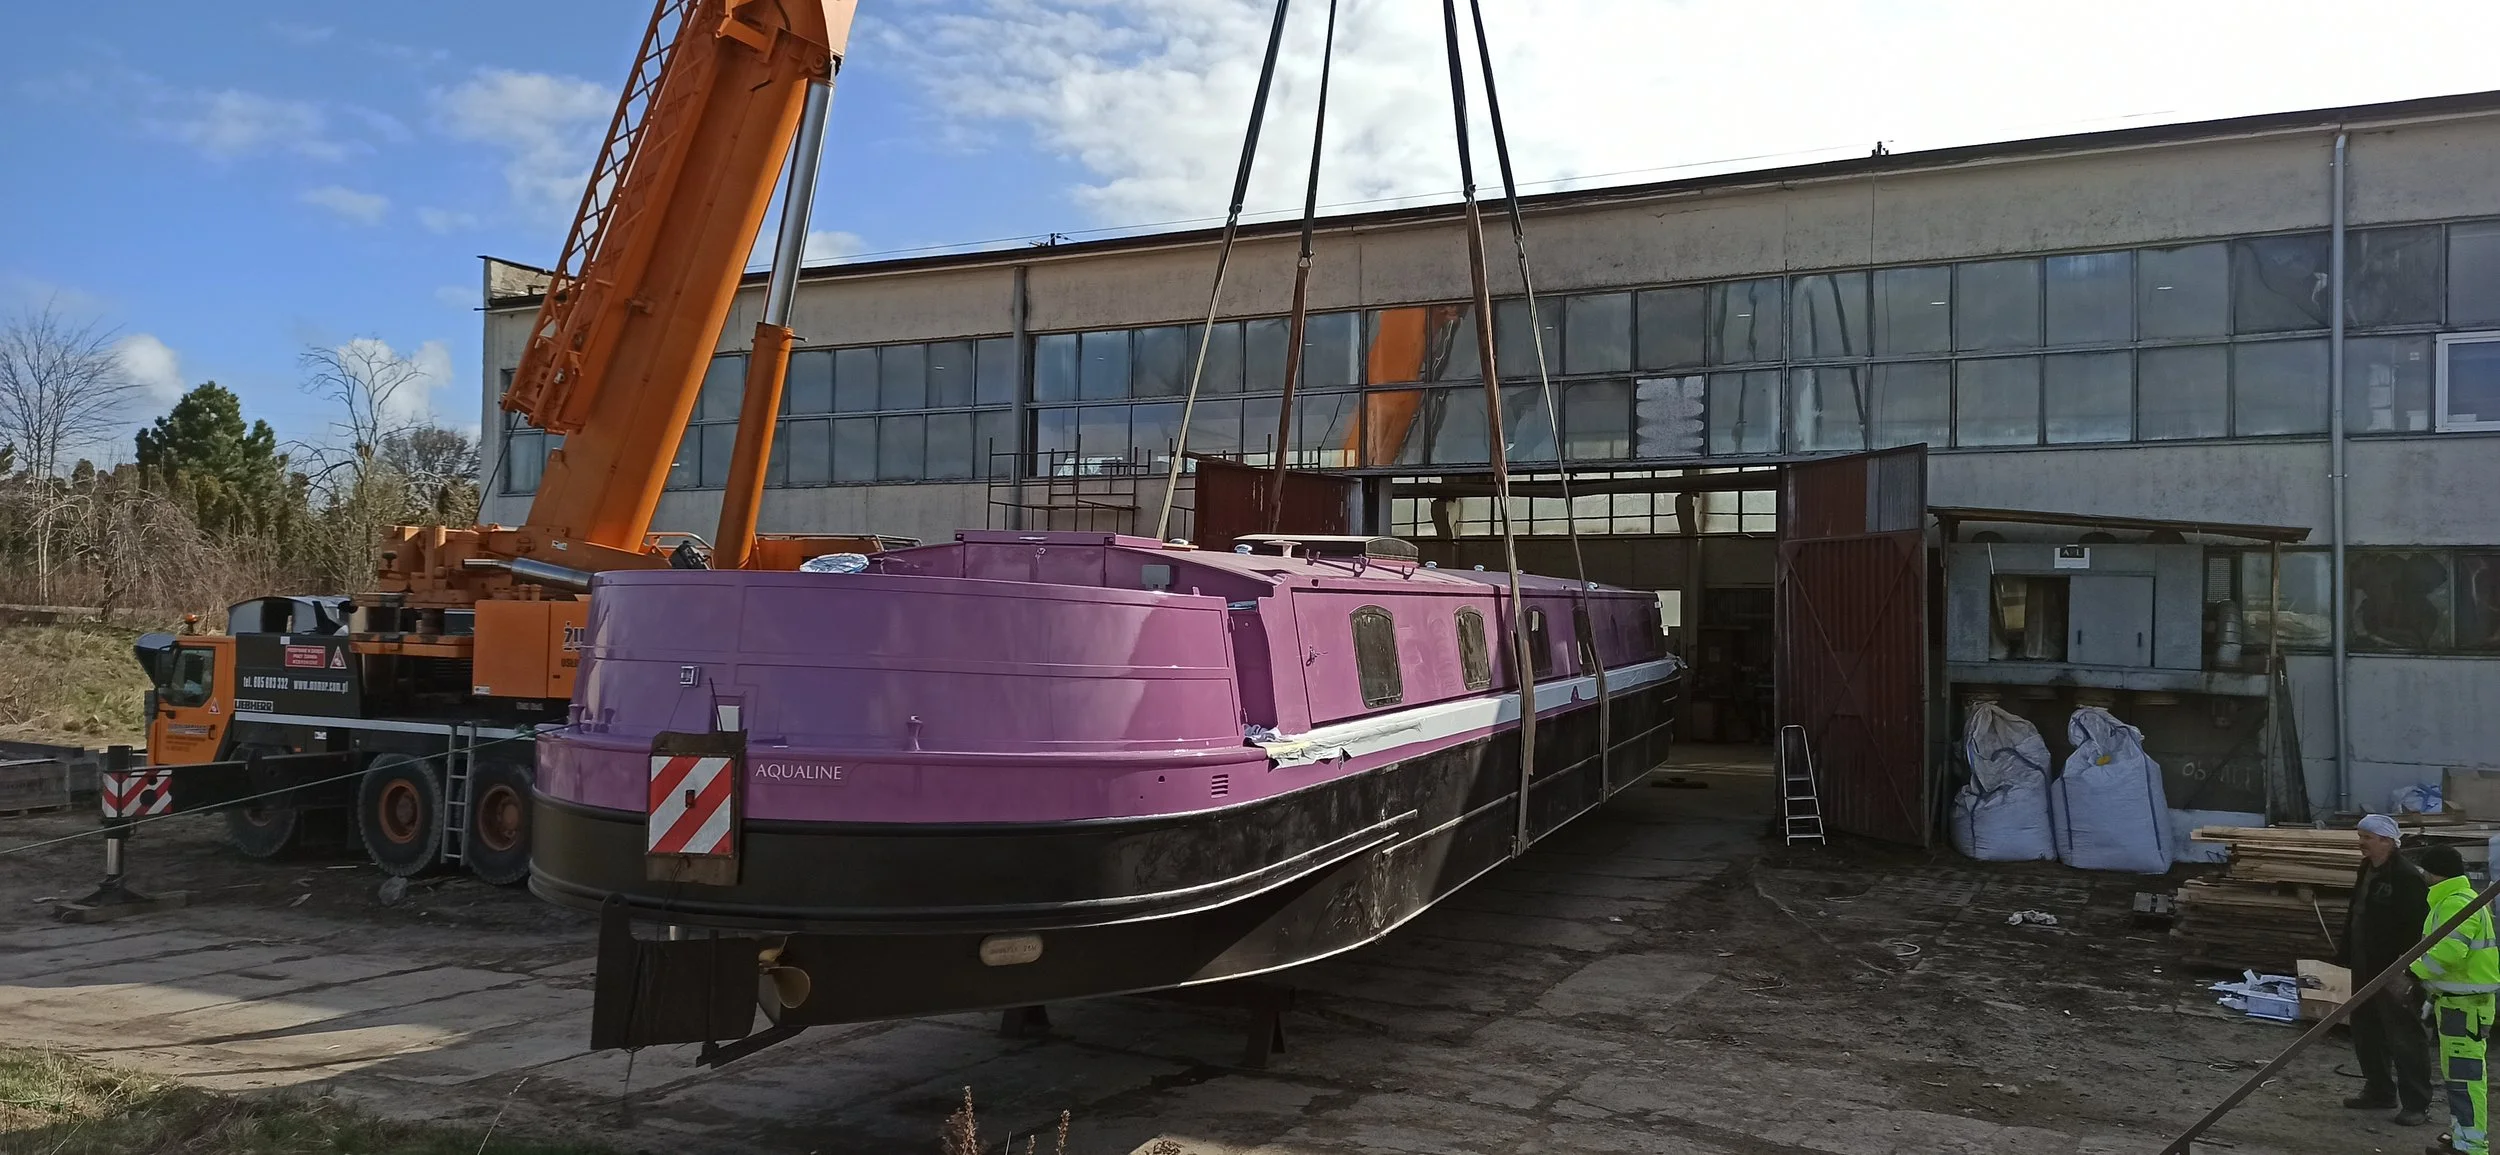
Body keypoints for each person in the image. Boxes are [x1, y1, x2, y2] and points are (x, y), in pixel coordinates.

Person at [2344, 814, 2434, 1126]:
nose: (2361, 843)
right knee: (2365, 1029)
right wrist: (2345, 954)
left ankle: (2416, 1104)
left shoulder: (2406, 877)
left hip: (2394, 969)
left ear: (2386, 840)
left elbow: (2417, 928)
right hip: (2364, 964)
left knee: (2404, 1035)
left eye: (2367, 837)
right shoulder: (2367, 868)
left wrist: (2406, 969)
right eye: (2361, 836)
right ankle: (2379, 1089)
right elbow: (2356, 911)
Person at [2411, 844, 2497, 1155]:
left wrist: (2412, 972)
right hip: (2460, 1005)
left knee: (2466, 1080)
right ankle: (2463, 1137)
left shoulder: (2453, 903)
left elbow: (2449, 952)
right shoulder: (2460, 899)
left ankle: (2472, 1147)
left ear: (2431, 872)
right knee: (2459, 1078)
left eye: (2424, 871)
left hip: (2464, 1007)